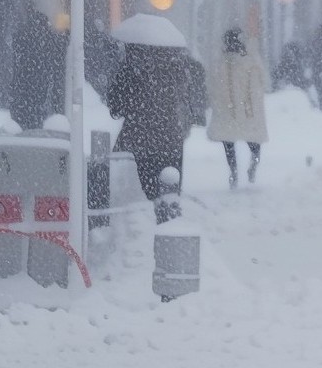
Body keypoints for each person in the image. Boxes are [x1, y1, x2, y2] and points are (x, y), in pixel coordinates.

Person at [103, 13, 207, 217]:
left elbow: (116, 107)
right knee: (168, 189)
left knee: (137, 195)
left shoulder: (130, 70)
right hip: (169, 137)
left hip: (138, 137)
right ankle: (168, 228)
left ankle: (141, 229)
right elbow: (186, 100)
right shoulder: (178, 69)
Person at [208, 27, 269, 187]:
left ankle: (233, 170)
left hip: (228, 110)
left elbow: (214, 85)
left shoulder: (221, 62)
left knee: (228, 141)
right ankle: (253, 163)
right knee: (254, 139)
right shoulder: (251, 61)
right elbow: (261, 82)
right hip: (249, 109)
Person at [8, 9, 67, 131]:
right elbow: (56, 67)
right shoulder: (49, 41)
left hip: (24, 90)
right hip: (40, 89)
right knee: (37, 118)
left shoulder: (20, 38)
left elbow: (15, 66)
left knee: (24, 120)